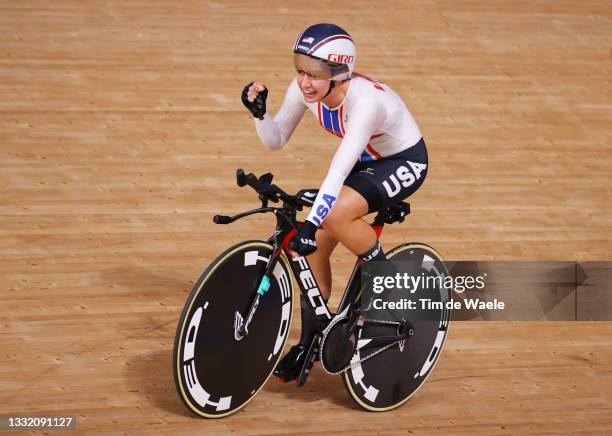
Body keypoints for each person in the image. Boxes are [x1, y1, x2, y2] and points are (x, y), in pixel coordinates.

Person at [241, 23, 428, 381]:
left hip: (403, 160)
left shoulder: (366, 103)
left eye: (315, 74)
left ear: (340, 74)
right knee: (311, 252)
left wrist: (311, 224)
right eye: (300, 70)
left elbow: (338, 171)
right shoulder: (304, 91)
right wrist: (260, 115)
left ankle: (382, 277)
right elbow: (276, 140)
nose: (305, 82)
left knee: (335, 215)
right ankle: (313, 339)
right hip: (368, 162)